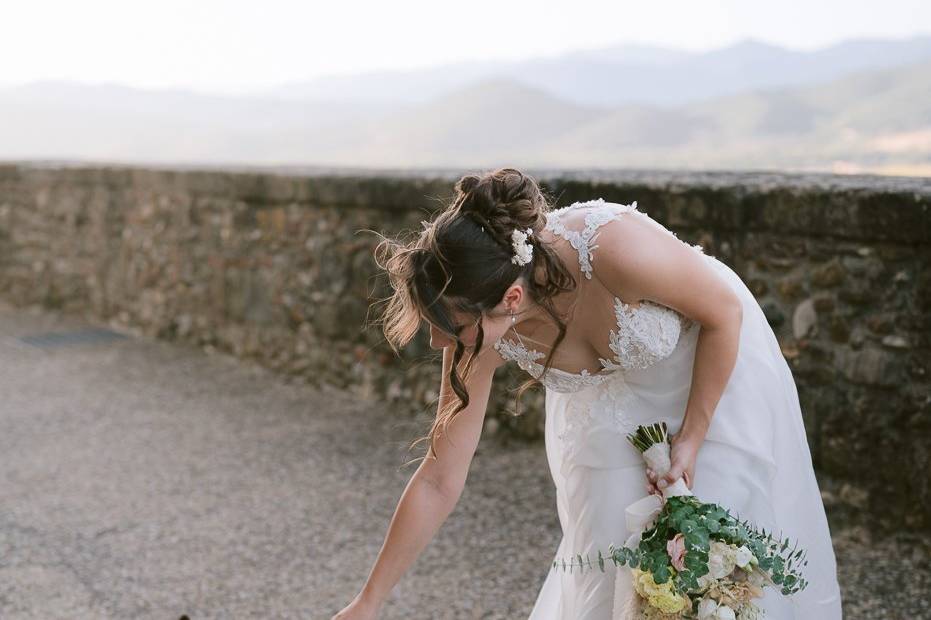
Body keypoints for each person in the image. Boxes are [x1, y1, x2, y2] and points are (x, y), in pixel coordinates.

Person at [331, 167, 843, 619]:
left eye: (449, 326)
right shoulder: (480, 326)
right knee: (611, 573)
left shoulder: (615, 250)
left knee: (720, 566)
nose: (438, 340)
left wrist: (691, 438)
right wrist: (369, 601)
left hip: (709, 379)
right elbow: (440, 478)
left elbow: (723, 314)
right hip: (611, 420)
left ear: (510, 299)